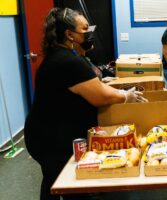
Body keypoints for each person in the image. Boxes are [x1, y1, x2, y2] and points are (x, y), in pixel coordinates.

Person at [24, 8, 146, 200]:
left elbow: (81, 87)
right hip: (51, 139)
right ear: (69, 34)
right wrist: (125, 95)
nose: (89, 33)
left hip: (44, 134)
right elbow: (102, 97)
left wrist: (97, 84)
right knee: (69, 184)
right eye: (85, 30)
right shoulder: (68, 62)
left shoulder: (61, 56)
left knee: (53, 181)